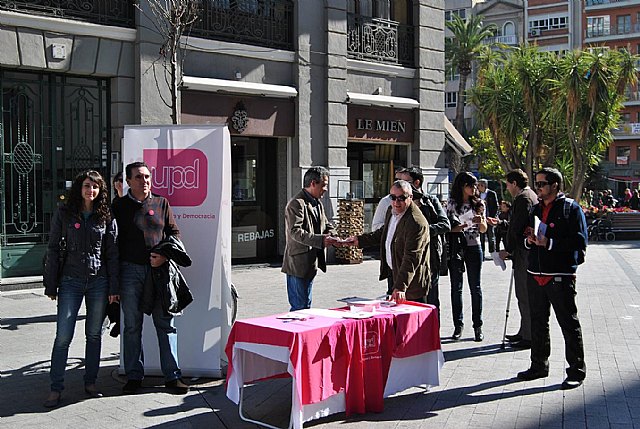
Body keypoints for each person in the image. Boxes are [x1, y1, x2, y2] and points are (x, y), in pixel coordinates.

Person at [43, 170, 119, 408]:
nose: (91, 190)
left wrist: (114, 287)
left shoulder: (106, 215)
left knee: (94, 334)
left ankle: (90, 382)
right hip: (70, 281)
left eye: (95, 187)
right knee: (63, 336)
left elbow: (113, 253)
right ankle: (56, 388)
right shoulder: (65, 213)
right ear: (80, 187)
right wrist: (51, 283)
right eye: (87, 186)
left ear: (100, 190)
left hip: (99, 281)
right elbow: (53, 248)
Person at [112, 161, 188, 395]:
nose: (144, 181)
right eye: (138, 177)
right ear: (128, 181)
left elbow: (174, 233)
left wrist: (164, 256)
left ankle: (172, 377)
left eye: (147, 177)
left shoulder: (161, 202)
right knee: (132, 325)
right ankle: (134, 376)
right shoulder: (119, 206)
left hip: (159, 273)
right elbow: (112, 242)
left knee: (165, 324)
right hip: (130, 272)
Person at [517, 167, 588, 390]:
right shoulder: (536, 208)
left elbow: (579, 243)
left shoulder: (570, 209)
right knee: (538, 322)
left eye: (541, 184)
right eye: (536, 184)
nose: (538, 188)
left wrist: (549, 243)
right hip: (535, 274)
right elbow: (527, 237)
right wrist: (529, 240)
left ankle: (576, 370)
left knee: (568, 323)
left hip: (559, 275)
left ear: (555, 185)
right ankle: (538, 365)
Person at [348, 180, 430, 303]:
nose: (396, 202)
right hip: (394, 273)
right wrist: (359, 240)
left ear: (411, 197)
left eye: (401, 198)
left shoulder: (416, 222)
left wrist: (401, 287)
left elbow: (412, 257)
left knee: (411, 320)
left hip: (411, 283)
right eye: (393, 197)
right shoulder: (391, 211)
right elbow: (383, 233)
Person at [488, 169, 538, 350]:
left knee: (524, 294)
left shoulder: (523, 198)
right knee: (523, 295)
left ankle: (529, 336)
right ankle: (525, 331)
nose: (507, 187)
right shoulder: (528, 195)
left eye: (508, 184)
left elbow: (518, 227)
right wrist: (501, 223)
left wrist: (507, 250)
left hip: (524, 254)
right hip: (524, 252)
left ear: (514, 183)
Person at [396, 166, 450, 316]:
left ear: (417, 183)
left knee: (431, 301)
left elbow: (445, 224)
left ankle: (433, 336)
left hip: (429, 258)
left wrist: (422, 231)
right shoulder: (398, 203)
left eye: (406, 182)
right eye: (399, 181)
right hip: (406, 259)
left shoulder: (430, 201)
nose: (402, 186)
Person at [281, 166, 338, 311]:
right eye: (324, 185)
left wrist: (335, 236)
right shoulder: (297, 203)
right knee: (300, 308)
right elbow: (295, 231)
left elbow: (325, 224)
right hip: (298, 264)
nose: (325, 189)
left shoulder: (317, 202)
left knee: (305, 306)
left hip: (310, 263)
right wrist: (320, 240)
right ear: (313, 183)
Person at [446, 172, 487, 341]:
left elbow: (484, 229)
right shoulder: (452, 203)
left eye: (475, 185)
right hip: (457, 248)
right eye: (471, 185)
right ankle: (458, 325)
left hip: (474, 247)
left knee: (475, 288)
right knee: (456, 288)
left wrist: (480, 221)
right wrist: (462, 225)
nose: (474, 189)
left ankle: (478, 326)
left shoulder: (479, 203)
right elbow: (447, 227)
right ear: (462, 186)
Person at [371, 166, 405, 231]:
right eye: (397, 180)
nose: (396, 202)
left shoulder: (423, 202)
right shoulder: (386, 201)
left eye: (403, 182)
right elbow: (375, 227)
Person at [477, 179, 498, 259]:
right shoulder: (477, 194)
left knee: (491, 236)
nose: (479, 187)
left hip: (489, 218)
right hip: (481, 219)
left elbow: (495, 206)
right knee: (481, 237)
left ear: (484, 186)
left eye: (480, 185)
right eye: (478, 185)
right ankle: (482, 254)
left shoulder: (491, 194)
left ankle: (492, 252)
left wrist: (493, 217)